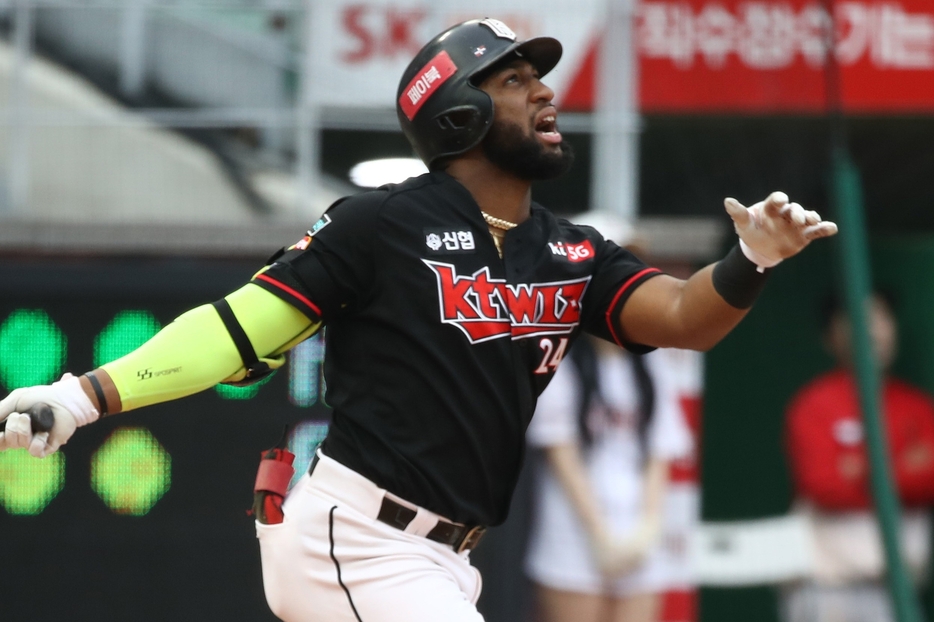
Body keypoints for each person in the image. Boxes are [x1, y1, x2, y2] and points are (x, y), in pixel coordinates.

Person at [0, 17, 836, 622]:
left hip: (443, 561)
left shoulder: (571, 250)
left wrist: (750, 259)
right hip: (356, 541)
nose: (545, 92)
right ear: (457, 114)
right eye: (513, 80)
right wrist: (79, 398)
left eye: (536, 77)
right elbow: (236, 328)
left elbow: (685, 318)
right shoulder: (381, 225)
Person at [524, 214, 693, 622]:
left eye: (630, 267)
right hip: (572, 532)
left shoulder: (651, 364)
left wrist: (648, 528)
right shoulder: (556, 356)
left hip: (637, 536)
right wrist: (600, 535)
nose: (622, 281)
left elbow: (660, 451)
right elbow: (560, 452)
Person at [783, 292, 934, 622]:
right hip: (828, 590)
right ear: (830, 337)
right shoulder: (815, 404)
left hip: (899, 590)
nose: (873, 330)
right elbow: (824, 486)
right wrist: (901, 466)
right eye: (856, 319)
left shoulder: (917, 406)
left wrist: (863, 469)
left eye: (880, 317)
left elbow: (930, 478)